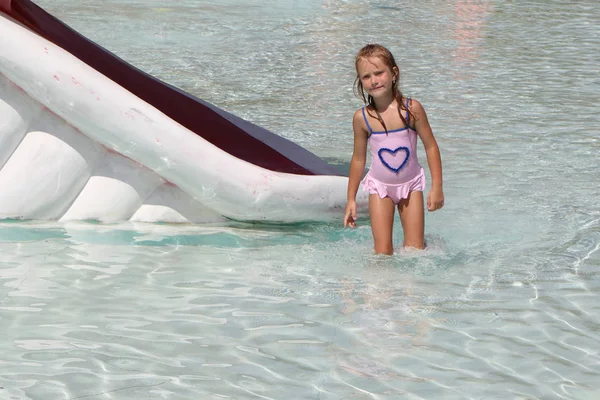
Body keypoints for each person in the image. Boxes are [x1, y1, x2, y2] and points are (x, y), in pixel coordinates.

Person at [343, 44, 444, 254]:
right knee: (382, 253)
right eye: (366, 76)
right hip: (380, 188)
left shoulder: (411, 110)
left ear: (394, 73)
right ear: (360, 81)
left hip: (411, 186)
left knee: (415, 251)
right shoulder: (362, 119)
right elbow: (358, 159)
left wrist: (437, 187)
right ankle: (383, 287)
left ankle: (411, 287)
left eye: (379, 73)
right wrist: (351, 199)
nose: (374, 80)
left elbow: (431, 146)